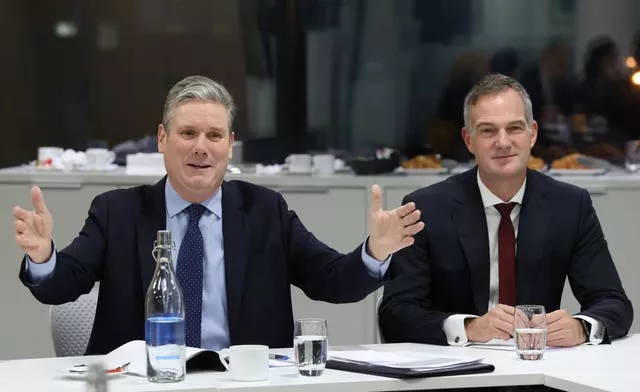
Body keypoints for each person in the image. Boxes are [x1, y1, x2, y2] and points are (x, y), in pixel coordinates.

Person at [14, 75, 424, 355]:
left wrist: (375, 251)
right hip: (144, 385)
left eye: (213, 136)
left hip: (242, 383)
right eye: (188, 134)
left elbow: (333, 281)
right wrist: (43, 257)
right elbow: (63, 285)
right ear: (162, 138)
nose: (201, 148)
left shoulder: (266, 211)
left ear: (230, 144)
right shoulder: (117, 212)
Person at [379, 74, 633, 348]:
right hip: (455, 374)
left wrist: (581, 327)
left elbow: (614, 303)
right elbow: (395, 315)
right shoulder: (427, 209)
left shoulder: (570, 205)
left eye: (514, 128)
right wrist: (468, 327)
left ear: (532, 133)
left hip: (539, 371)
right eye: (488, 130)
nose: (503, 142)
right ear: (468, 139)